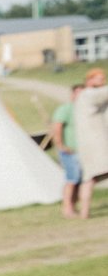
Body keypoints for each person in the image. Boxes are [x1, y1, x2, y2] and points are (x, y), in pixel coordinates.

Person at [73, 68, 108, 221]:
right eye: (99, 79)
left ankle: (84, 212)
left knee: (89, 178)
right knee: (90, 178)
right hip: (96, 143)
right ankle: (84, 212)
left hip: (91, 143)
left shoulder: (84, 96)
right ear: (90, 80)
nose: (103, 81)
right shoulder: (89, 94)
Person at [53, 83, 83, 218]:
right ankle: (67, 208)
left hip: (82, 150)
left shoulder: (84, 110)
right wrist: (61, 145)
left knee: (79, 180)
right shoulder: (65, 109)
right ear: (73, 94)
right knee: (72, 179)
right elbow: (57, 127)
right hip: (69, 151)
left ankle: (74, 206)